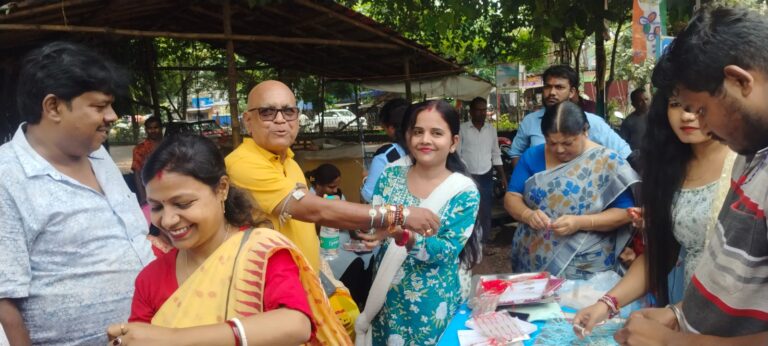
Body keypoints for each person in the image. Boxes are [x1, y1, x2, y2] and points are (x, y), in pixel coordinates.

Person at [615, 7, 768, 345]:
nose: (703, 125)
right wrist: (680, 314)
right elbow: (735, 281)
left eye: (701, 109)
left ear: (740, 81)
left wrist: (677, 342)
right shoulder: (750, 155)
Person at [107, 135, 350, 345]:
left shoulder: (261, 253)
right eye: (157, 207)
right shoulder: (151, 278)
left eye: (183, 204)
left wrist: (175, 339)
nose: (168, 220)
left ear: (222, 188)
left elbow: (295, 325)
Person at [0, 41, 153, 345]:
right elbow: (4, 301)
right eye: (99, 106)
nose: (112, 116)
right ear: (53, 107)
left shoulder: (98, 155)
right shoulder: (7, 176)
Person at [226, 81, 440, 271]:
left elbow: (308, 223)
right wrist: (398, 214)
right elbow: (314, 210)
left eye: (289, 111)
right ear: (248, 120)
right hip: (269, 291)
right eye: (267, 112)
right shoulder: (243, 163)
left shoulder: (290, 162)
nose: (280, 119)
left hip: (303, 280)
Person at [573, 92, 735, 335]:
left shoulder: (746, 165)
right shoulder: (670, 169)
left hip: (737, 318)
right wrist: (606, 304)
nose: (687, 115)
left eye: (699, 105)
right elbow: (661, 253)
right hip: (688, 315)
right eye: (676, 104)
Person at [354, 100, 480, 345]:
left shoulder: (463, 192)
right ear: (408, 136)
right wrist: (373, 232)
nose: (425, 140)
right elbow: (373, 221)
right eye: (418, 131)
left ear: (453, 143)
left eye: (436, 133)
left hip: (431, 305)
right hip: (385, 296)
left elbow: (445, 251)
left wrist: (407, 236)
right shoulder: (390, 176)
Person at [504, 101, 639, 279]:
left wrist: (581, 222)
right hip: (534, 260)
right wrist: (527, 215)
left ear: (585, 131)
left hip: (588, 265)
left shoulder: (608, 162)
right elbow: (512, 197)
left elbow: (626, 213)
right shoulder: (533, 155)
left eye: (567, 143)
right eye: (551, 143)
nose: (559, 149)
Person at [509, 65, 631, 168]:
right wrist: (526, 181)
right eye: (547, 86)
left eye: (559, 87)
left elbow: (624, 153)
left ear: (572, 92)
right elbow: (515, 153)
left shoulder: (592, 122)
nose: (552, 92)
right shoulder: (530, 121)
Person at [458, 96, 506, 249]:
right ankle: (468, 240)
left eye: (484, 110)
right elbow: (457, 154)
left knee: (485, 208)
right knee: (468, 208)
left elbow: (496, 153)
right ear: (471, 112)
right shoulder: (462, 129)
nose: (481, 113)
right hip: (467, 175)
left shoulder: (491, 130)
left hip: (486, 175)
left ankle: (484, 241)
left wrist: (503, 176)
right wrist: (462, 174)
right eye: (478, 110)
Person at [360, 98, 409, 203]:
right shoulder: (424, 150)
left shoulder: (386, 154)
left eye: (384, 128)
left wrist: (366, 179)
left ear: (391, 128)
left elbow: (369, 195)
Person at [132, 115, 163, 205]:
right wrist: (142, 197)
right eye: (149, 128)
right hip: (151, 192)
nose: (153, 130)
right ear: (146, 130)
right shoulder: (139, 149)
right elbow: (137, 174)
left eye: (156, 127)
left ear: (161, 128)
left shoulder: (169, 145)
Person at [620, 87, 650, 152]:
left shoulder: (658, 117)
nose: (645, 103)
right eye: (640, 101)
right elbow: (622, 144)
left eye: (646, 99)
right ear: (633, 104)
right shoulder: (629, 122)